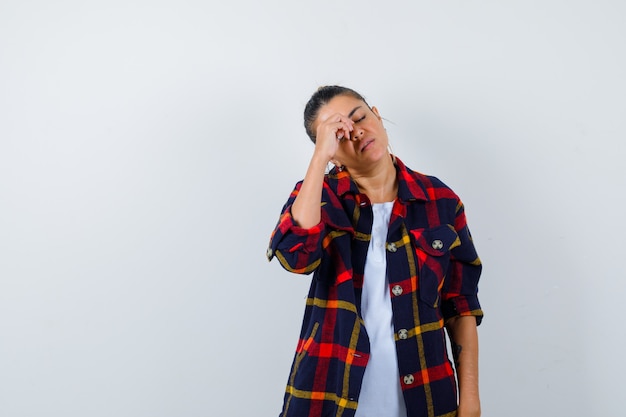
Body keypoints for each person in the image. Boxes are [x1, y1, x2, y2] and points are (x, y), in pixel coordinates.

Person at [267, 86, 483, 417]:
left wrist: (469, 402)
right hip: (329, 399)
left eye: (360, 117)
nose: (357, 133)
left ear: (377, 115)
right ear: (331, 152)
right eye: (340, 134)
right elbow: (297, 257)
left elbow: (461, 306)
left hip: (425, 398)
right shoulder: (319, 198)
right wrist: (318, 160)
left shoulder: (440, 200)